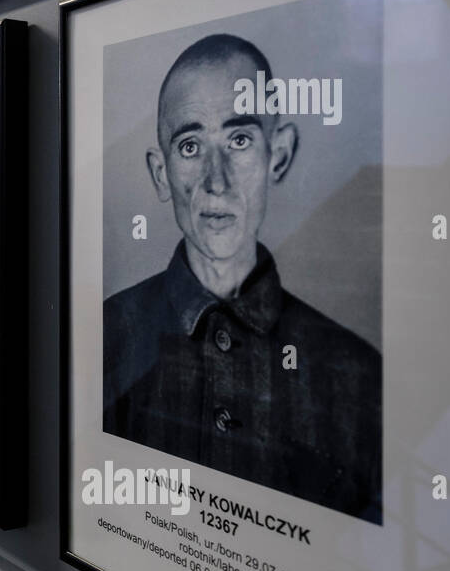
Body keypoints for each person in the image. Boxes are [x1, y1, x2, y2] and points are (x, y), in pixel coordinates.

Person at [103, 33, 382, 523]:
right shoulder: (104, 338)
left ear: (278, 154)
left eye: (239, 140)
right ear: (161, 174)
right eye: (190, 146)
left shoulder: (357, 374)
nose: (217, 180)